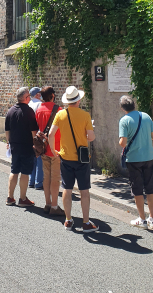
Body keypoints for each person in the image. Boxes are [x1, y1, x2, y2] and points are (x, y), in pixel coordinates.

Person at [48, 85, 98, 233]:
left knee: (67, 189)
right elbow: (91, 137)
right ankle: (86, 222)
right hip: (81, 159)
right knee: (84, 191)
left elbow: (51, 135)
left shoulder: (60, 114)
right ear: (78, 100)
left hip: (65, 157)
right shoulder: (85, 116)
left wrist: (53, 151)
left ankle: (68, 220)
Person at [118, 95, 153, 230]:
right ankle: (152, 219)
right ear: (134, 105)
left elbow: (123, 143)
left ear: (122, 108)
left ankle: (142, 219)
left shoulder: (124, 121)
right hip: (149, 157)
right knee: (150, 188)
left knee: (137, 190)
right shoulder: (146, 116)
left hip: (134, 159)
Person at [5, 87, 38, 207]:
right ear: (25, 98)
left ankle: (10, 197)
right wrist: (36, 144)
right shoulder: (29, 111)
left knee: (14, 171)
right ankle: (23, 199)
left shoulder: (10, 111)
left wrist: (9, 142)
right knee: (25, 173)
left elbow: (7, 131)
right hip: (26, 146)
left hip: (14, 146)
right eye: (29, 96)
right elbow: (34, 131)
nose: (30, 98)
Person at [35, 86, 64, 216]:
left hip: (43, 148)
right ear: (52, 95)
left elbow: (36, 128)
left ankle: (47, 203)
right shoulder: (59, 110)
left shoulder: (39, 109)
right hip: (56, 148)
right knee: (55, 179)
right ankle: (54, 205)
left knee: (46, 177)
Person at [28, 86, 44, 190]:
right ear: (37, 95)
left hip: (28, 135)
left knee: (32, 158)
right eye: (40, 93)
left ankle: (31, 181)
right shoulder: (39, 104)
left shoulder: (29, 104)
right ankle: (38, 182)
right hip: (37, 134)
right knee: (39, 159)